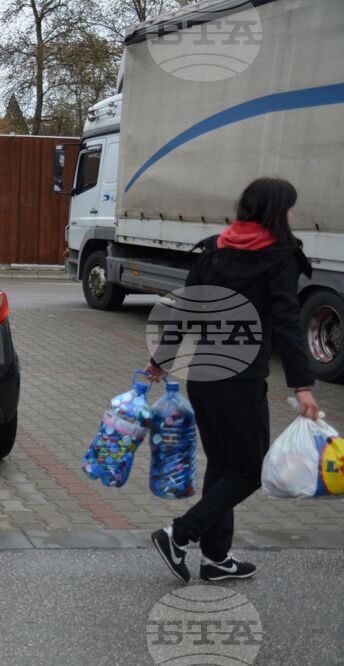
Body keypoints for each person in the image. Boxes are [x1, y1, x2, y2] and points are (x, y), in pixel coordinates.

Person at [147, 177, 320, 582]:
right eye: (290, 207)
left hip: (203, 376)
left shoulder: (216, 247)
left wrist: (162, 360)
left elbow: (184, 308)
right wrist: (303, 385)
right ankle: (179, 535)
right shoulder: (280, 255)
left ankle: (216, 558)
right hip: (240, 379)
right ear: (278, 211)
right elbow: (288, 323)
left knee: (224, 465)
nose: (293, 214)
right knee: (249, 469)